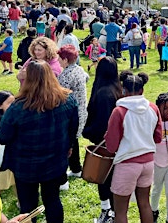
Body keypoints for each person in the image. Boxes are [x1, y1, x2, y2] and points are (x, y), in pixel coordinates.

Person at [0, 60, 79, 223]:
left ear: (28, 79)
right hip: (55, 161)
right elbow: (73, 129)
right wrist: (68, 146)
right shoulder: (67, 100)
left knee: (28, 206)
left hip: (26, 166)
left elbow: (2, 137)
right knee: (53, 200)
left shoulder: (18, 108)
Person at [104, 71, 162, 223]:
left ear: (124, 90)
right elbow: (158, 137)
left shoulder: (119, 111)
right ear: (142, 90)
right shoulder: (153, 108)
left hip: (127, 164)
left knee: (121, 211)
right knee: (144, 204)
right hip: (148, 163)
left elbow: (111, 146)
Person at [82, 57, 122, 223]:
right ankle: (112, 211)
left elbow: (102, 122)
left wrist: (87, 131)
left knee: (104, 178)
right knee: (112, 178)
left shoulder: (103, 93)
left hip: (105, 141)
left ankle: (109, 212)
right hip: (117, 141)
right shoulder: (116, 89)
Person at [57, 45, 89, 189]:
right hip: (81, 110)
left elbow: (59, 94)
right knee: (73, 140)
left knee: (67, 143)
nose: (57, 60)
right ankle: (76, 168)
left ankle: (64, 178)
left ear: (65, 59)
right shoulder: (79, 69)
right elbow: (87, 79)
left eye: (59, 58)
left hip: (70, 114)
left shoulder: (65, 75)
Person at [151, 92, 168, 223]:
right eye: (165, 108)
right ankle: (153, 210)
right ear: (158, 107)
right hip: (156, 163)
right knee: (156, 189)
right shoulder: (153, 122)